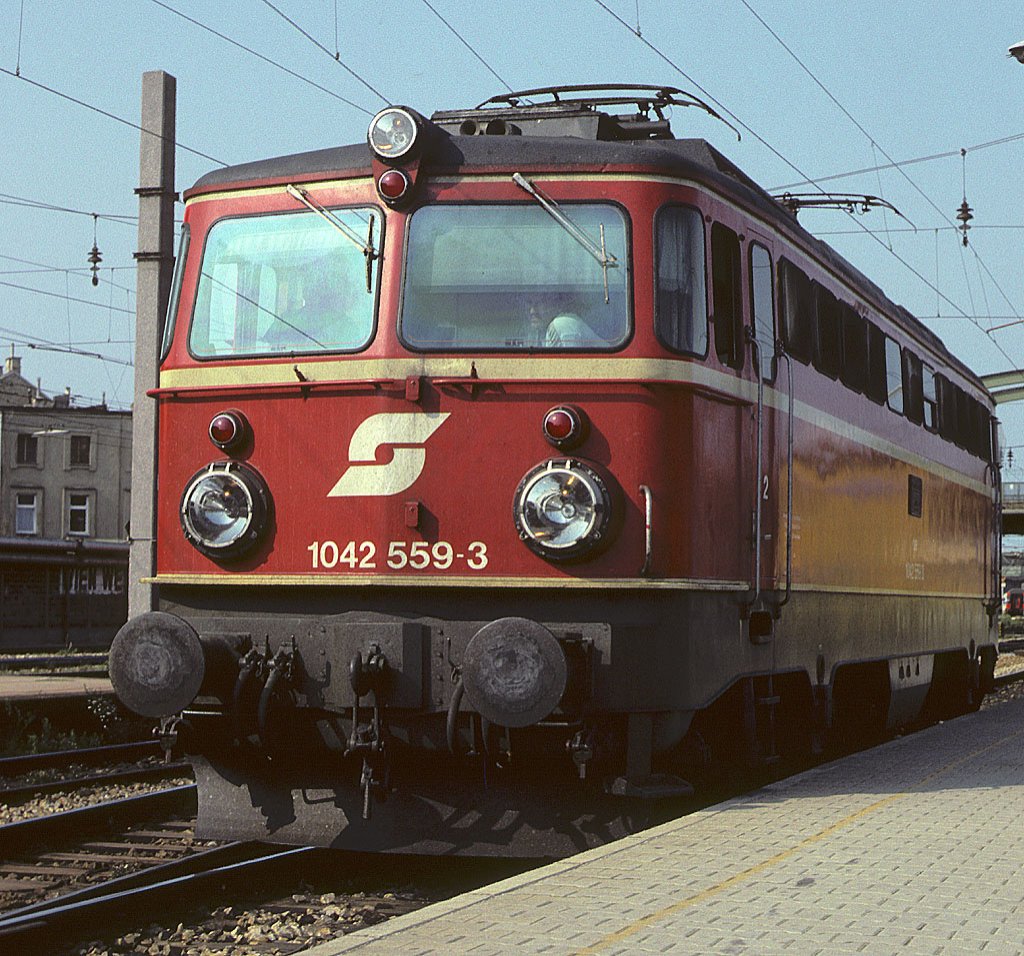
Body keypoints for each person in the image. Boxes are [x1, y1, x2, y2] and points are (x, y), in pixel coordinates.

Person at [526, 296, 601, 347]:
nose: (532, 311)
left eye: (538, 304)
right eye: (530, 304)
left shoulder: (561, 323)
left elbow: (570, 365)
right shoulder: (537, 334)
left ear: (553, 305)